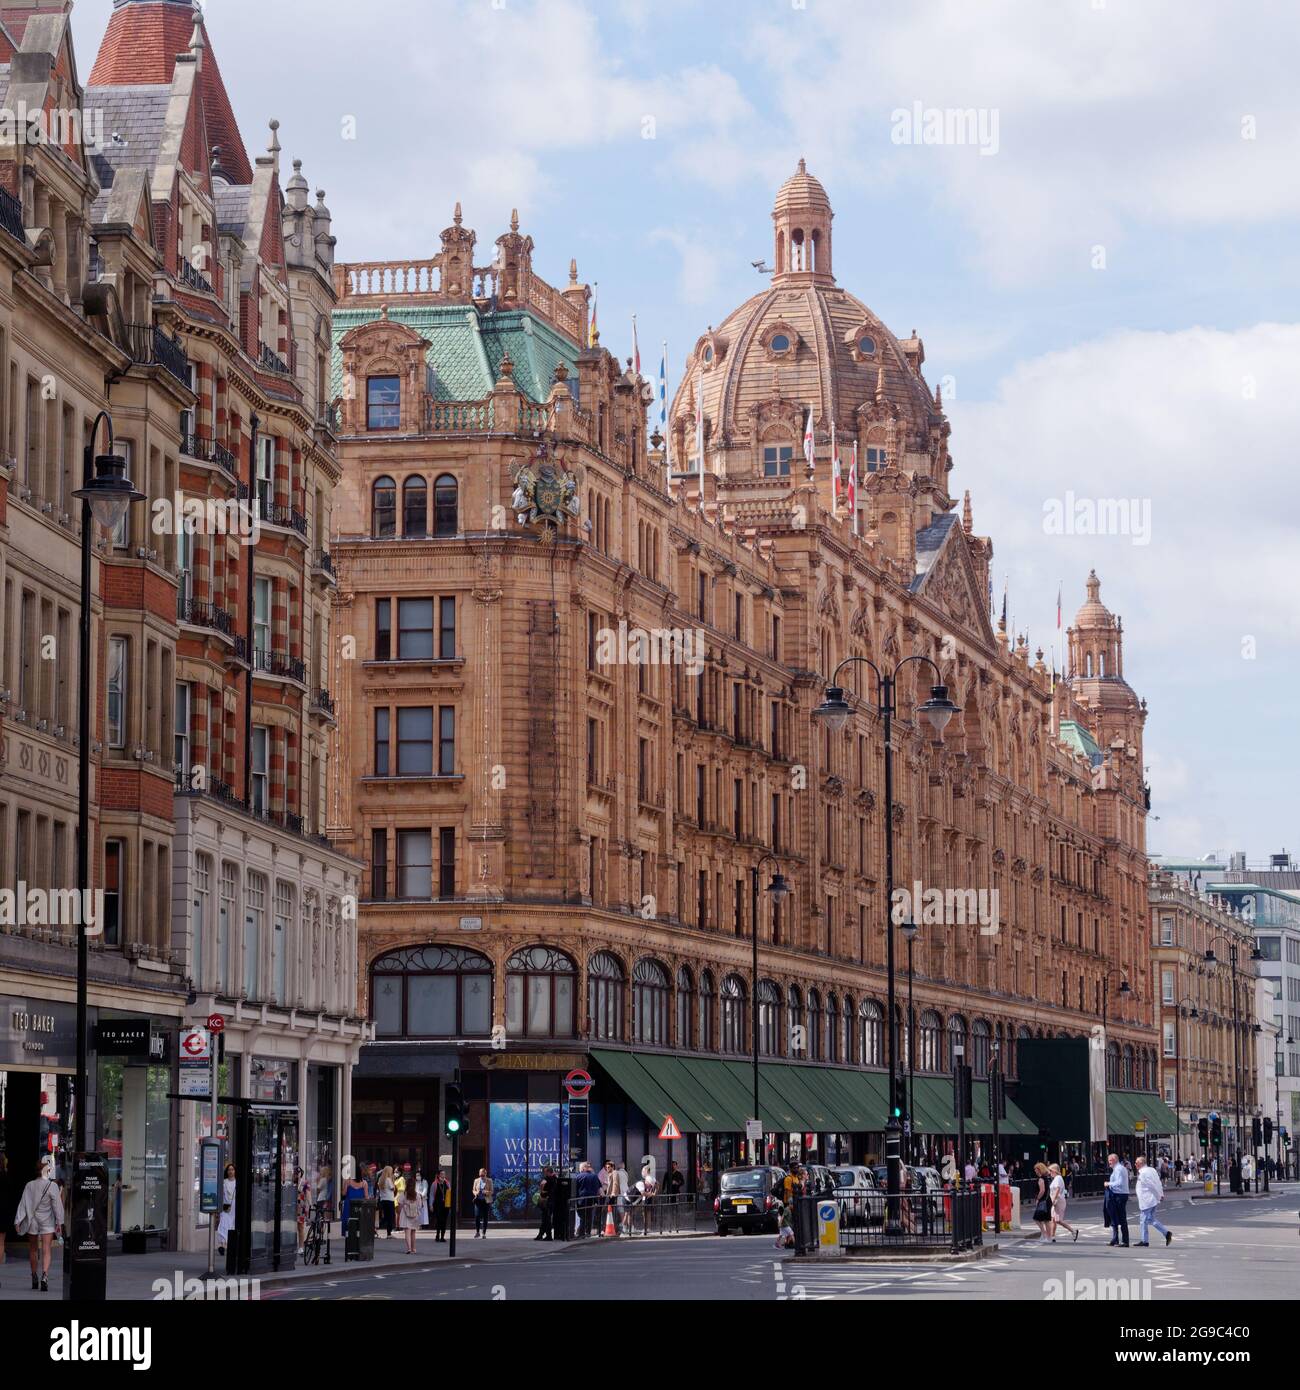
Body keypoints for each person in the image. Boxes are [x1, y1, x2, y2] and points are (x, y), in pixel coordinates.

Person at [16, 1161, 65, 1292]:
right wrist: (59, 1222)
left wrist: (18, 1220)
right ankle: (45, 1276)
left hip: (32, 1220)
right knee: (46, 1249)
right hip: (47, 1221)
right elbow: (57, 1206)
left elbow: (23, 1204)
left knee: (33, 1250)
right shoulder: (52, 1186)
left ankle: (34, 1276)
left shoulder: (29, 1185)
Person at [1133, 1155, 1173, 1247]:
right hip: (1153, 1199)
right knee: (1150, 1219)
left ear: (1140, 1164)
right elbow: (1158, 1182)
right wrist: (1160, 1194)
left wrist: (1159, 1195)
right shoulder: (1152, 1170)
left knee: (1143, 1220)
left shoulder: (1143, 1173)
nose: (1135, 1165)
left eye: (1136, 1163)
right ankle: (1166, 1233)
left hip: (1147, 1200)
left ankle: (1144, 1241)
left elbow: (1151, 1185)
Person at [1048, 1163, 1079, 1242]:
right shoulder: (1056, 1178)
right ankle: (1052, 1236)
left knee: (1058, 1220)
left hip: (1058, 1200)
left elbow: (1057, 1189)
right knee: (1053, 1219)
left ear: (1054, 1171)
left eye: (1051, 1171)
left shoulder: (1058, 1178)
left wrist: (1053, 1200)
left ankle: (1073, 1231)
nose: (1050, 1172)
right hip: (1056, 1200)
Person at [1106, 1153, 1131, 1248]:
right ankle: (1115, 1239)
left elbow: (1119, 1183)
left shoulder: (1119, 1169)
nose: (1109, 1163)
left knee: (1121, 1218)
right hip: (1116, 1194)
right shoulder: (1116, 1169)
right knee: (1114, 1216)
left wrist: (1108, 1183)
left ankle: (1125, 1241)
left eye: (1110, 1161)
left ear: (1115, 1160)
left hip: (1120, 1195)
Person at [575, 1161, 602, 1237]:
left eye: (580, 1169)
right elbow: (599, 1188)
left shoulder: (579, 1177)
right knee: (589, 1216)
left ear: (583, 1168)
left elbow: (575, 1189)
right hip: (592, 1199)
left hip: (581, 1200)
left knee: (582, 1216)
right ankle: (588, 1232)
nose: (579, 1170)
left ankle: (581, 1233)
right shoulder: (595, 1176)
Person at [340, 1166, 368, 1237]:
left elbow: (344, 1193)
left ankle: (347, 1233)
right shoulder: (364, 1183)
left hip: (349, 1204)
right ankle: (359, 1234)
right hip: (359, 1204)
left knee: (347, 1219)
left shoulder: (348, 1181)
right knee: (359, 1219)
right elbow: (366, 1196)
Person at [216, 1163, 236, 1256]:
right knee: (223, 1224)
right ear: (227, 1172)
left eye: (232, 1169)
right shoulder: (224, 1182)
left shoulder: (237, 1183)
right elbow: (220, 1195)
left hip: (234, 1207)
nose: (231, 1171)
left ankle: (226, 1245)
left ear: (235, 1171)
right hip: (225, 1207)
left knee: (231, 1225)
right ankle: (222, 1245)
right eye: (229, 1170)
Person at [1031, 1162, 1054, 1241]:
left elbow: (1042, 1190)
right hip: (1047, 1201)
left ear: (1039, 1170)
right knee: (1046, 1220)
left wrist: (1037, 1199)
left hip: (1043, 1201)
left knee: (1036, 1218)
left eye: (1036, 1169)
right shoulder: (1046, 1178)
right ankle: (1048, 1237)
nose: (1035, 1171)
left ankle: (1044, 1234)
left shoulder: (1041, 1179)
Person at [398, 1181, 423, 1253]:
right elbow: (420, 1206)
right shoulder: (417, 1195)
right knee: (413, 1232)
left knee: (407, 1232)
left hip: (405, 1215)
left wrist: (400, 1212)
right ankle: (413, 1249)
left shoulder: (403, 1194)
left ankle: (409, 1248)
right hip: (415, 1215)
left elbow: (400, 1204)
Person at [535, 1165, 556, 1240]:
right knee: (546, 1219)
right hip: (552, 1201)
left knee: (546, 1219)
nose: (544, 1173)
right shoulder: (555, 1178)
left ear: (548, 1172)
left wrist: (541, 1190)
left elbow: (542, 1185)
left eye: (545, 1172)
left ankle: (548, 1236)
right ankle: (541, 1234)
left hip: (546, 1201)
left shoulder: (547, 1179)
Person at [471, 1169, 493, 1238]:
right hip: (478, 1201)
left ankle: (484, 1233)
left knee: (485, 1217)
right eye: (480, 1174)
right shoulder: (476, 1180)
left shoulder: (489, 1180)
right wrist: (475, 1193)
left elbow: (492, 1191)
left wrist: (485, 1192)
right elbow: (473, 1190)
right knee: (477, 1216)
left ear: (485, 1174)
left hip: (485, 1201)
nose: (481, 1176)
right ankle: (477, 1232)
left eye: (483, 1175)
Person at [376, 1165, 396, 1238]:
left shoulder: (381, 1179)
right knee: (390, 1217)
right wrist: (393, 1180)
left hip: (383, 1199)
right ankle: (389, 1233)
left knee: (385, 1217)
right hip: (390, 1199)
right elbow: (393, 1188)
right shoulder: (388, 1179)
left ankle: (375, 1228)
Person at [431, 1169, 451, 1242]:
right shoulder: (435, 1184)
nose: (443, 1175)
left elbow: (449, 1193)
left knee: (444, 1221)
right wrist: (431, 1205)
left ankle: (442, 1236)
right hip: (437, 1204)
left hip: (446, 1205)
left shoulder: (447, 1183)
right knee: (439, 1220)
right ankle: (437, 1235)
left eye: (444, 1174)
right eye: (442, 1174)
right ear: (439, 1175)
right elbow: (432, 1195)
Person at [295, 1167, 311, 1253]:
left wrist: (309, 1205)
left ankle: (301, 1247)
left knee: (300, 1227)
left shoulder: (305, 1183)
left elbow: (308, 1195)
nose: (296, 1175)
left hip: (301, 1208)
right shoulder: (290, 1183)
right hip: (291, 1207)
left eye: (298, 1173)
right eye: (295, 1173)